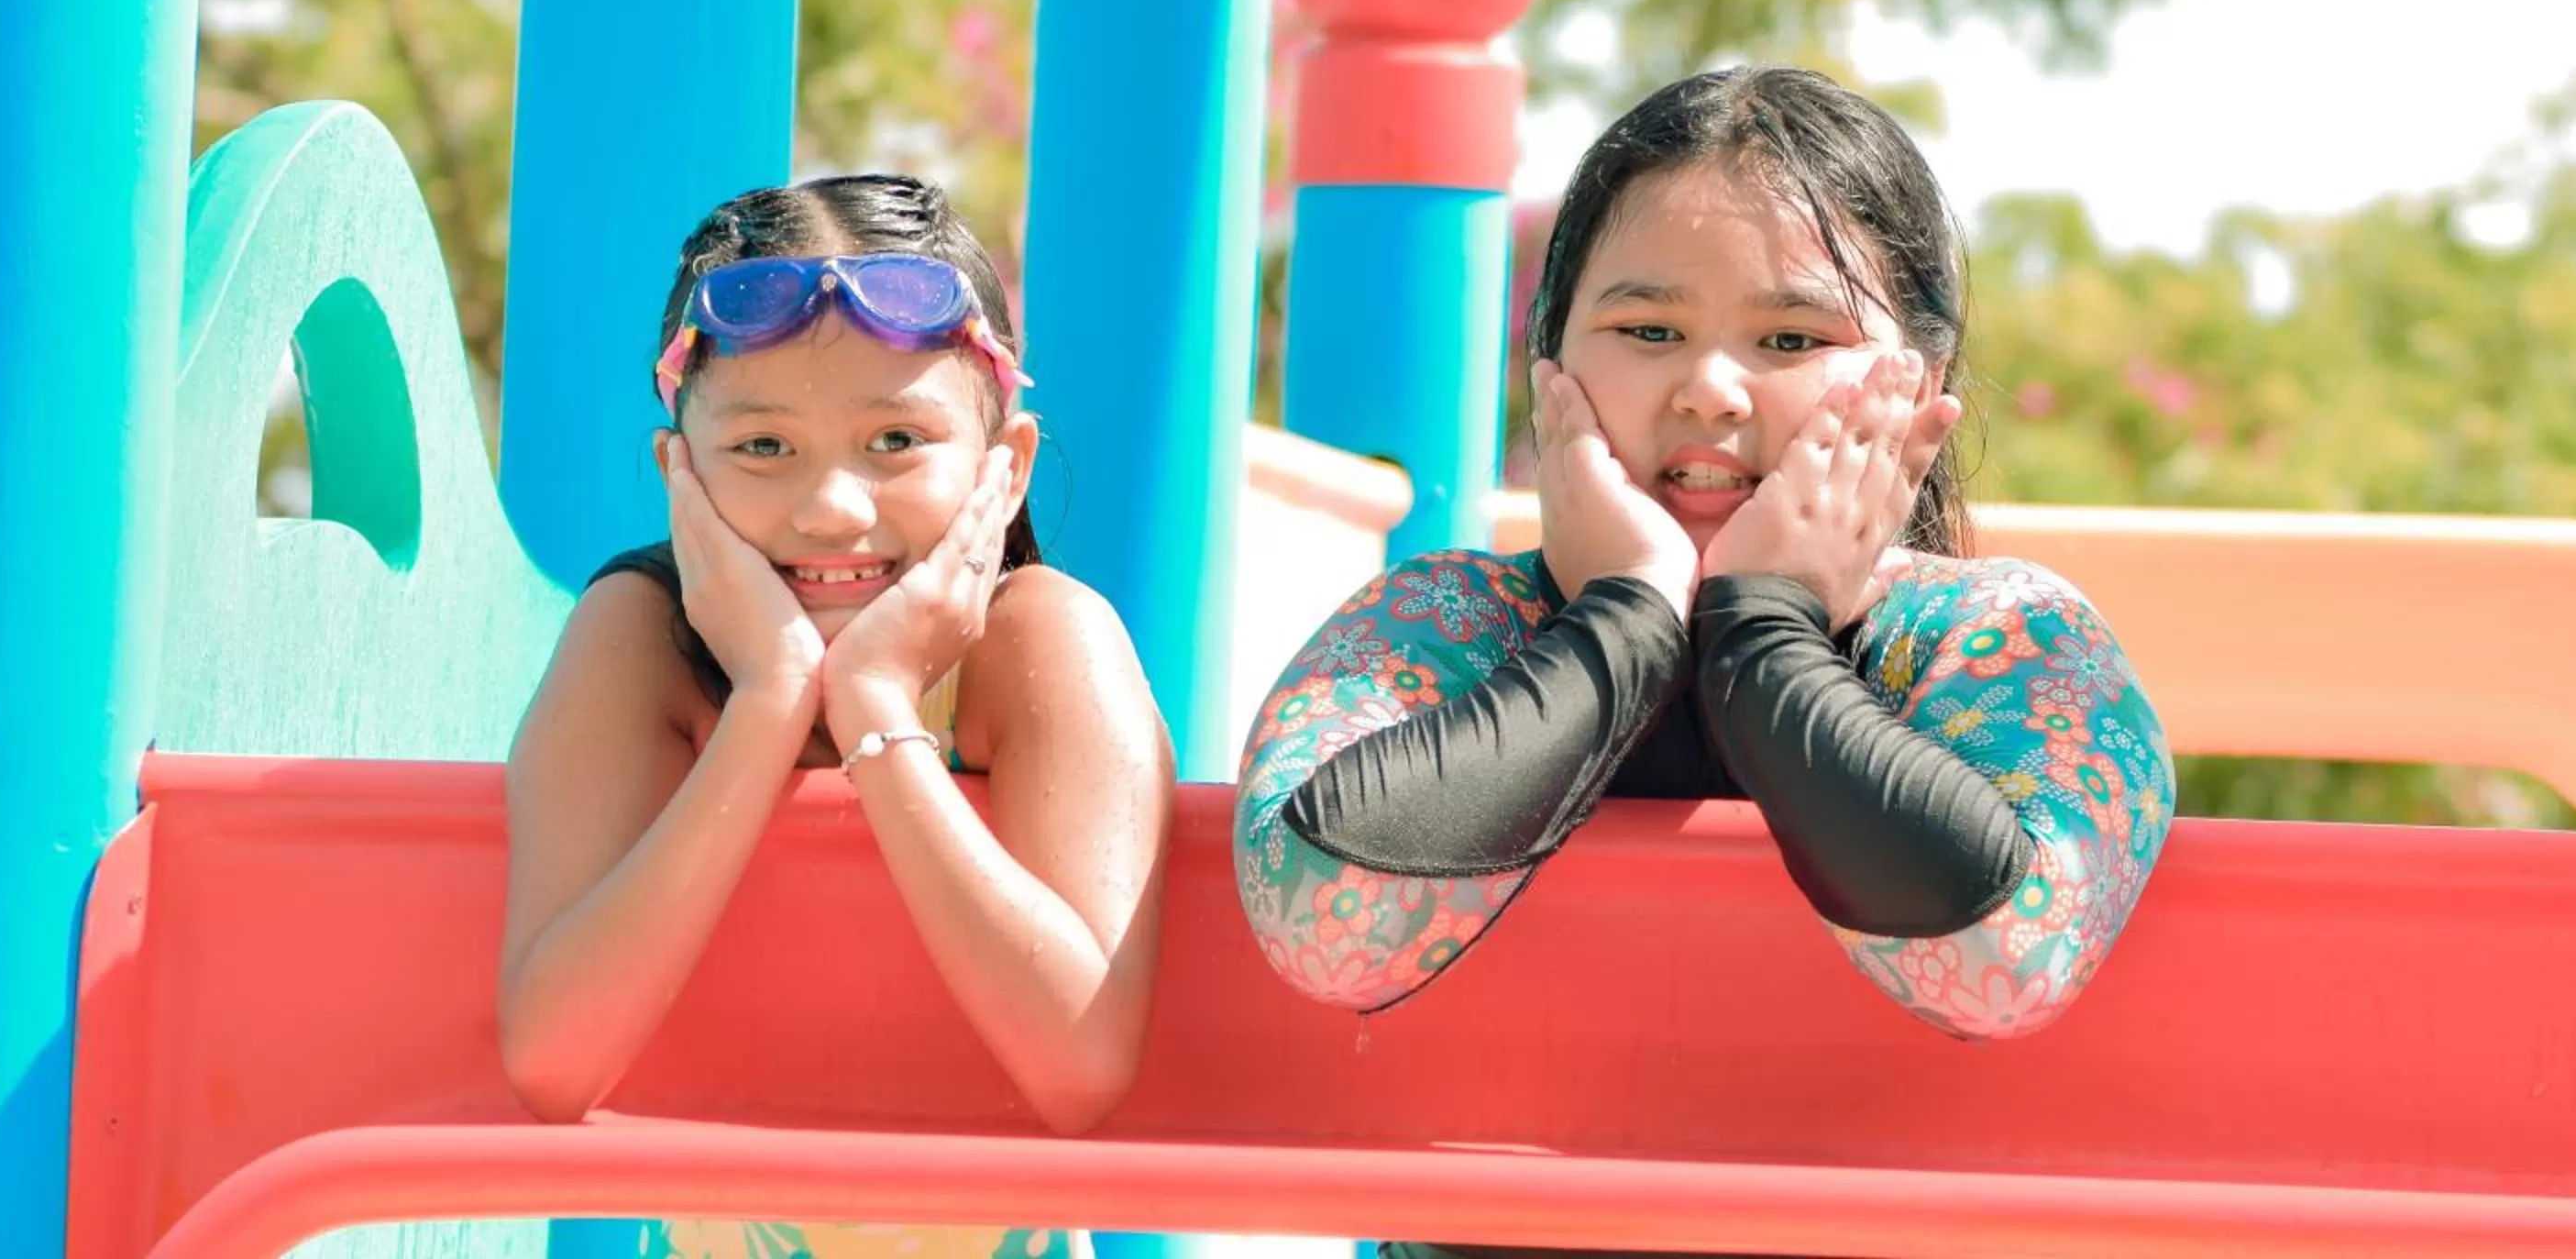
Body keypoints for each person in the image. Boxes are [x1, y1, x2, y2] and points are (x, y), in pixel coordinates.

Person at [1236, 66, 2174, 1258]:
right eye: (1647, 330)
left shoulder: (2005, 642)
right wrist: (1627, 625)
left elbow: (2004, 957)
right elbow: (1319, 916)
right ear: (1551, 372)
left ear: (1918, 390)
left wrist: (1764, 637)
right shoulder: (1451, 623)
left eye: (1791, 336)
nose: (1710, 390)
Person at [500, 173, 1173, 1259]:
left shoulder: (1040, 641)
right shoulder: (643, 638)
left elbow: (1079, 1065)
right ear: (678, 469)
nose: (832, 507)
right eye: (764, 446)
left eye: (897, 441)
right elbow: (553, 1057)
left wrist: (874, 706)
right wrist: (768, 699)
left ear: (1007, 468)